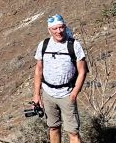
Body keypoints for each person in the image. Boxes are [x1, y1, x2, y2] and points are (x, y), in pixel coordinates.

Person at [33, 14, 87, 143]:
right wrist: (36, 95)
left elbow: (82, 71)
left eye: (61, 27)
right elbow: (38, 70)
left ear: (65, 27)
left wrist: (74, 93)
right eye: (55, 29)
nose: (59, 31)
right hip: (48, 94)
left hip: (67, 94)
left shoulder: (74, 45)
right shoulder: (43, 45)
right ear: (49, 30)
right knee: (53, 127)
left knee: (73, 132)